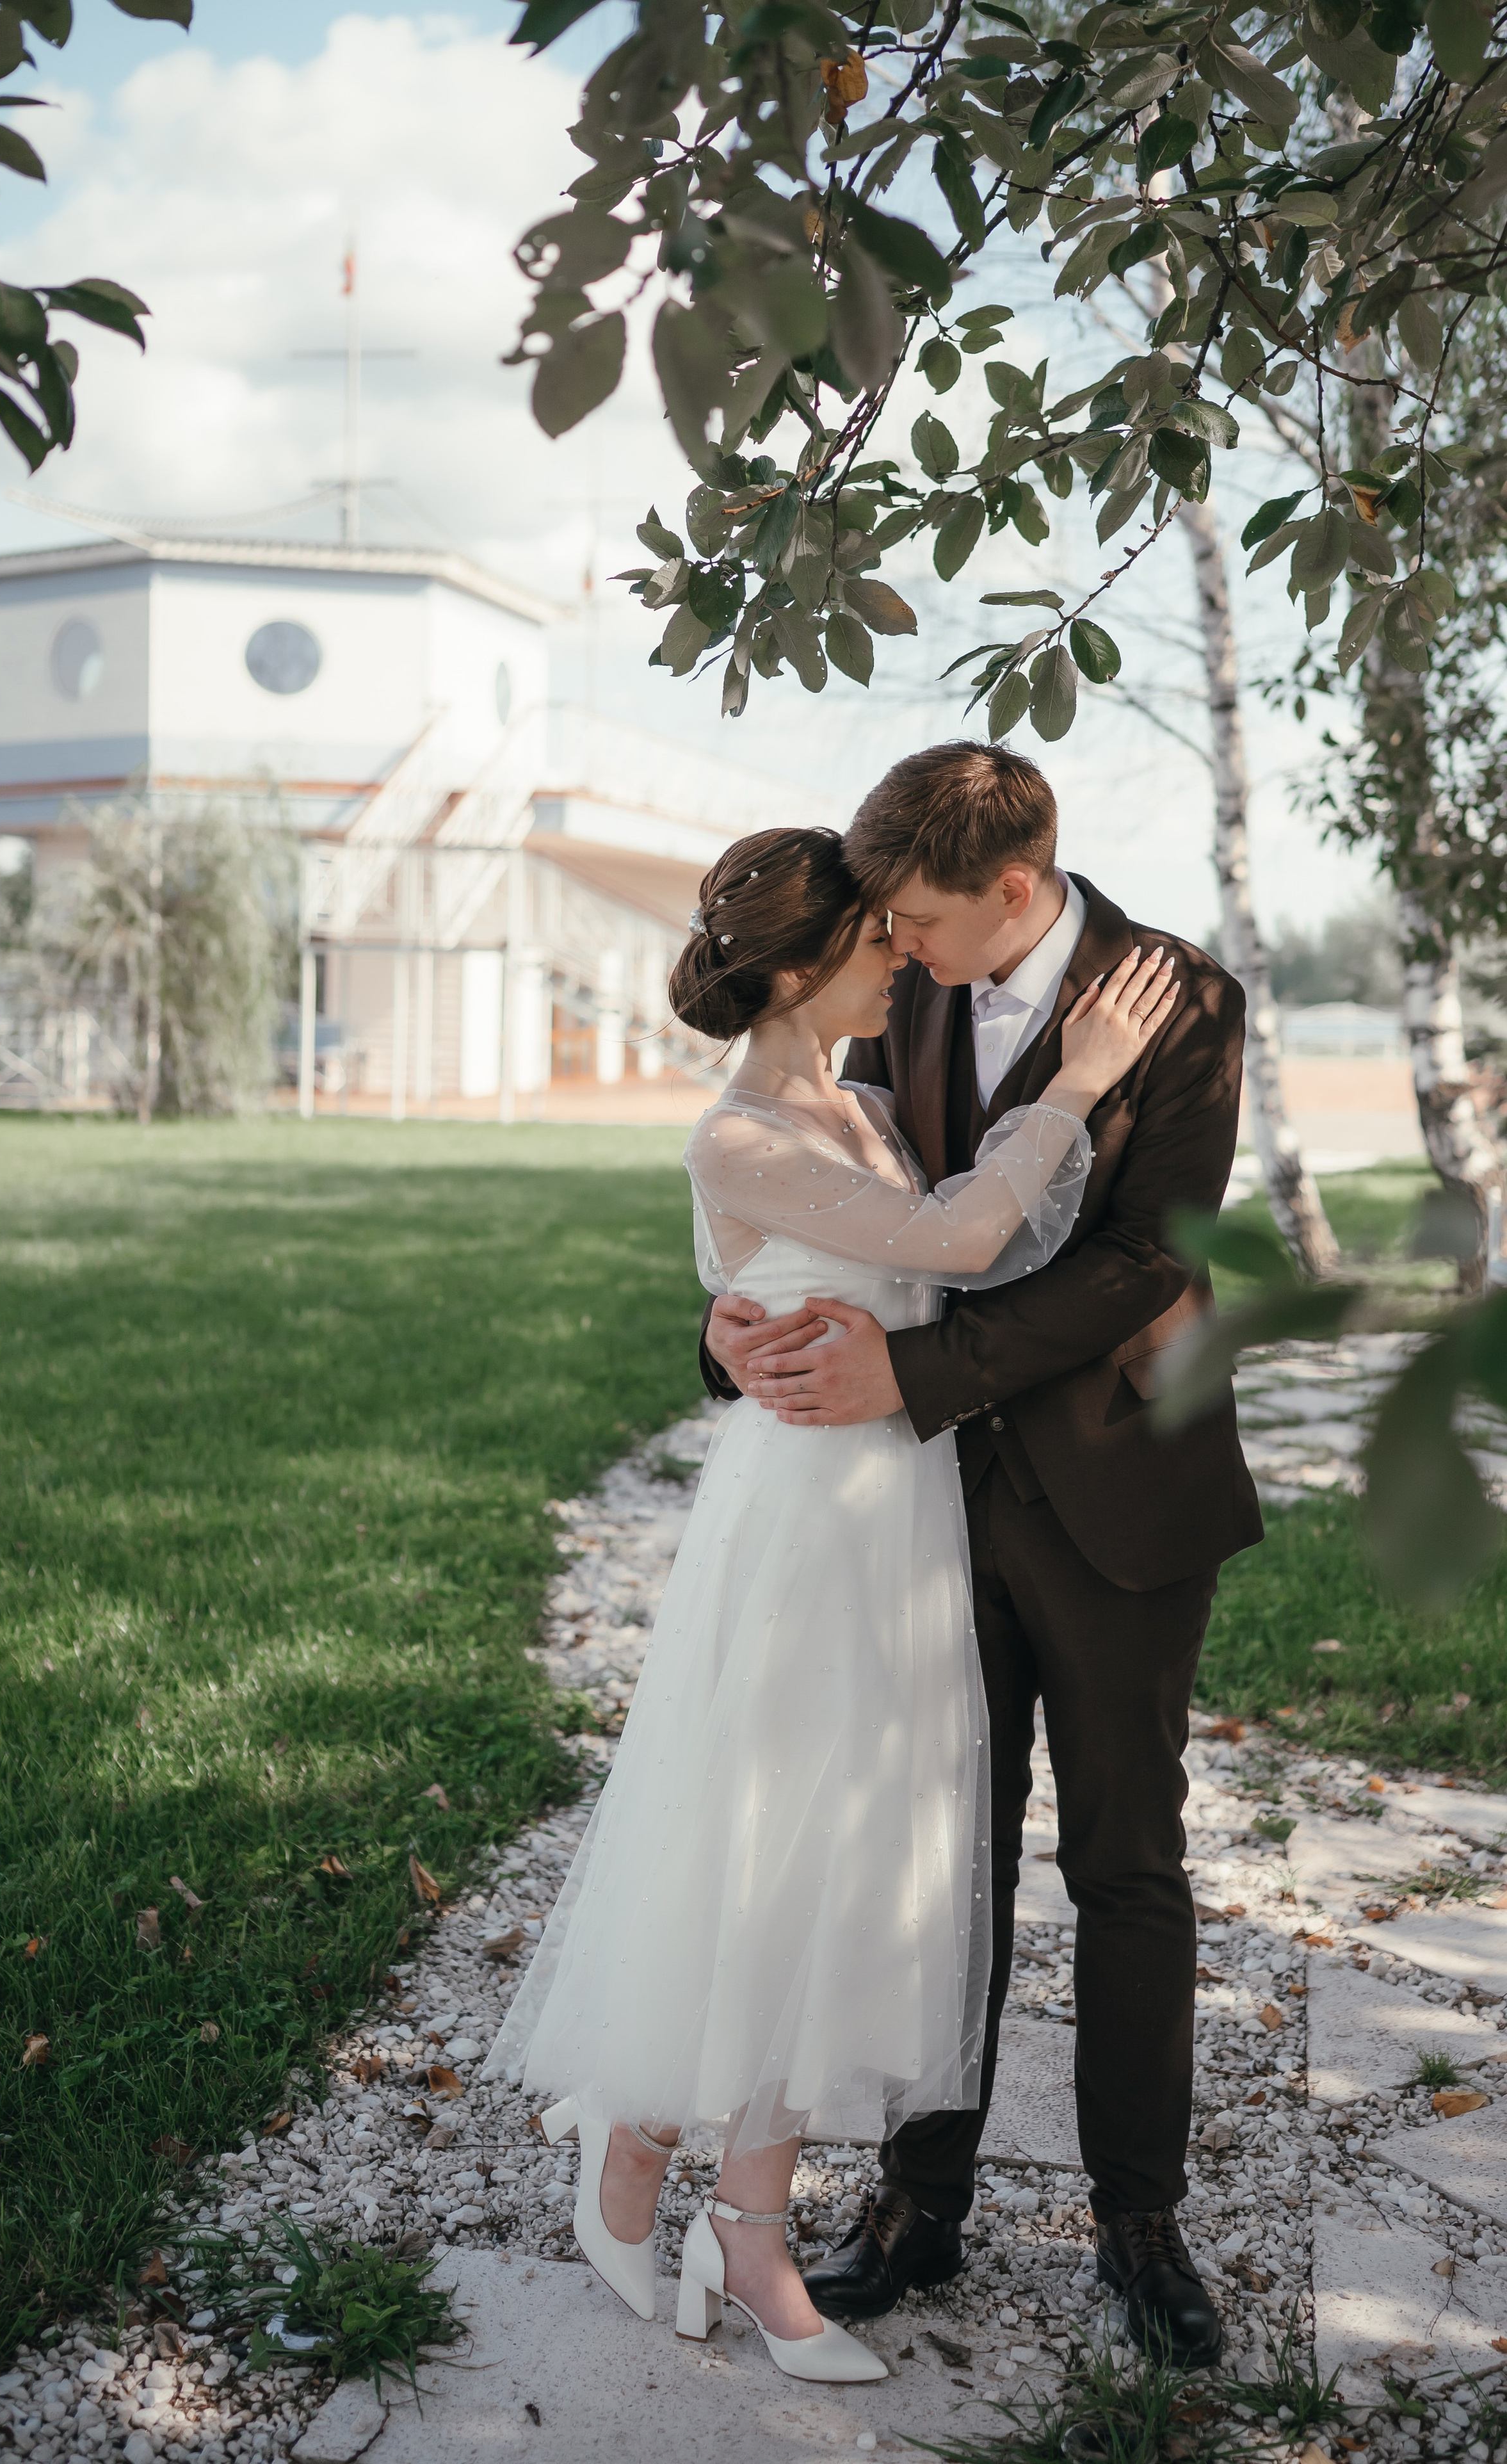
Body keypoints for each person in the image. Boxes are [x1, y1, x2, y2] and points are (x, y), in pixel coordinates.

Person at [484, 821, 1177, 2385]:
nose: (900, 956)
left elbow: (941, 1269)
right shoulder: (731, 1139)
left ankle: (693, 2171)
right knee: (768, 1866)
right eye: (874, 937)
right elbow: (952, 1237)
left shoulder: (867, 1106)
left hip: (899, 1522)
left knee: (850, 1868)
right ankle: (720, 2209)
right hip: (799, 1533)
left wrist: (753, 1322)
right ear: (801, 968)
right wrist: (1074, 1084)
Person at [702, 743, 1262, 2369]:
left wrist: (917, 1375)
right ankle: (914, 2199)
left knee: (1124, 1864)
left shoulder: (1181, 999)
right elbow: (829, 1212)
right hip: (919, 1511)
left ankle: (1137, 2221)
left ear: (1012, 887)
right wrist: (730, 1331)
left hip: (1113, 1496)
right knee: (938, 1867)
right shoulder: (901, 990)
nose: (902, 944)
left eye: (928, 916)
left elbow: (1147, 1259)